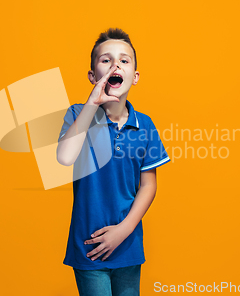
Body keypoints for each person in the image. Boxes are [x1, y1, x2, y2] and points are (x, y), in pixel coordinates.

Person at [56, 28, 170, 296]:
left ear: (136, 76)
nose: (115, 64)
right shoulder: (77, 114)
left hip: (128, 245)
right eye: (106, 60)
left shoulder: (145, 125)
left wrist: (124, 229)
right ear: (92, 75)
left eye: (124, 60)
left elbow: (148, 185)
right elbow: (65, 157)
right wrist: (92, 103)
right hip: (89, 246)